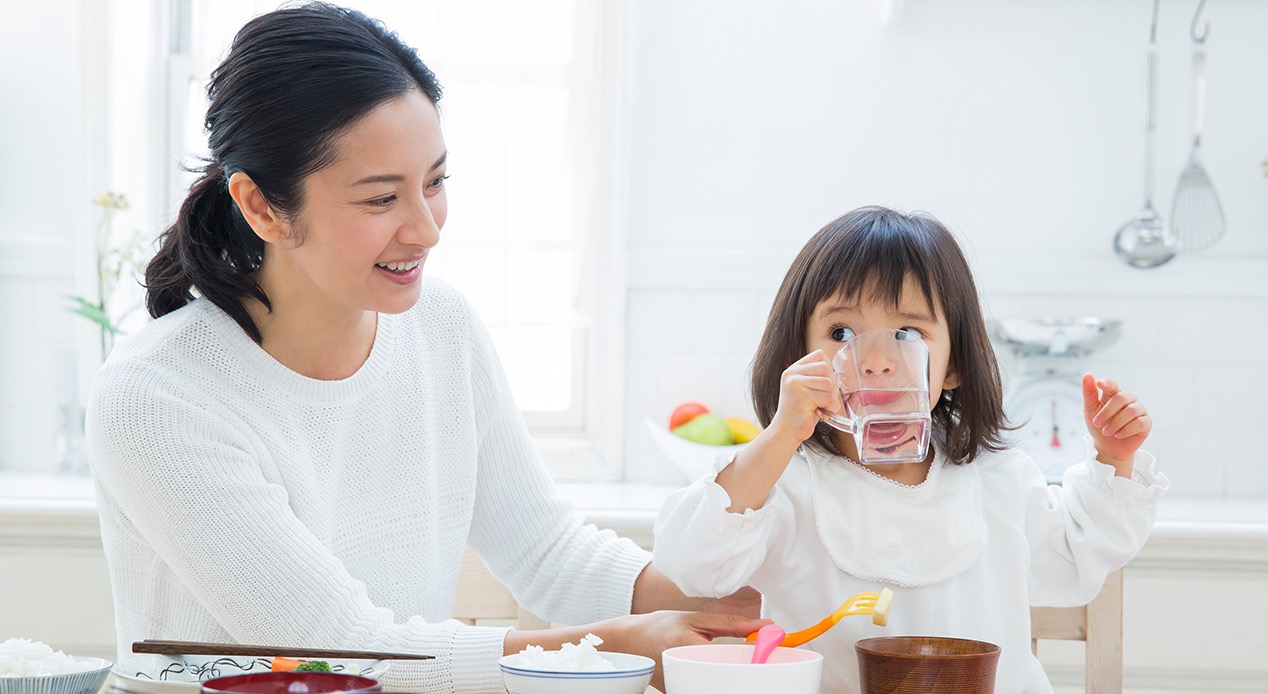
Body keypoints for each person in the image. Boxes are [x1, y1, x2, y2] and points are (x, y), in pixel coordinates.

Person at [84, 4, 764, 693]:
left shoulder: (443, 327)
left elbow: (548, 550)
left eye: (434, 183)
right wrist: (616, 647)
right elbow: (338, 651)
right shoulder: (156, 398)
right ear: (261, 206)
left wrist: (736, 601)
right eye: (381, 199)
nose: (426, 229)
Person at [653, 206, 1170, 693]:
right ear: (799, 357)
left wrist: (1113, 458)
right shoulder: (784, 484)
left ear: (952, 365)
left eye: (907, 332)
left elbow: (1074, 564)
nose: (876, 358)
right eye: (841, 332)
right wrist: (778, 438)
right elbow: (693, 563)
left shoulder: (998, 480)